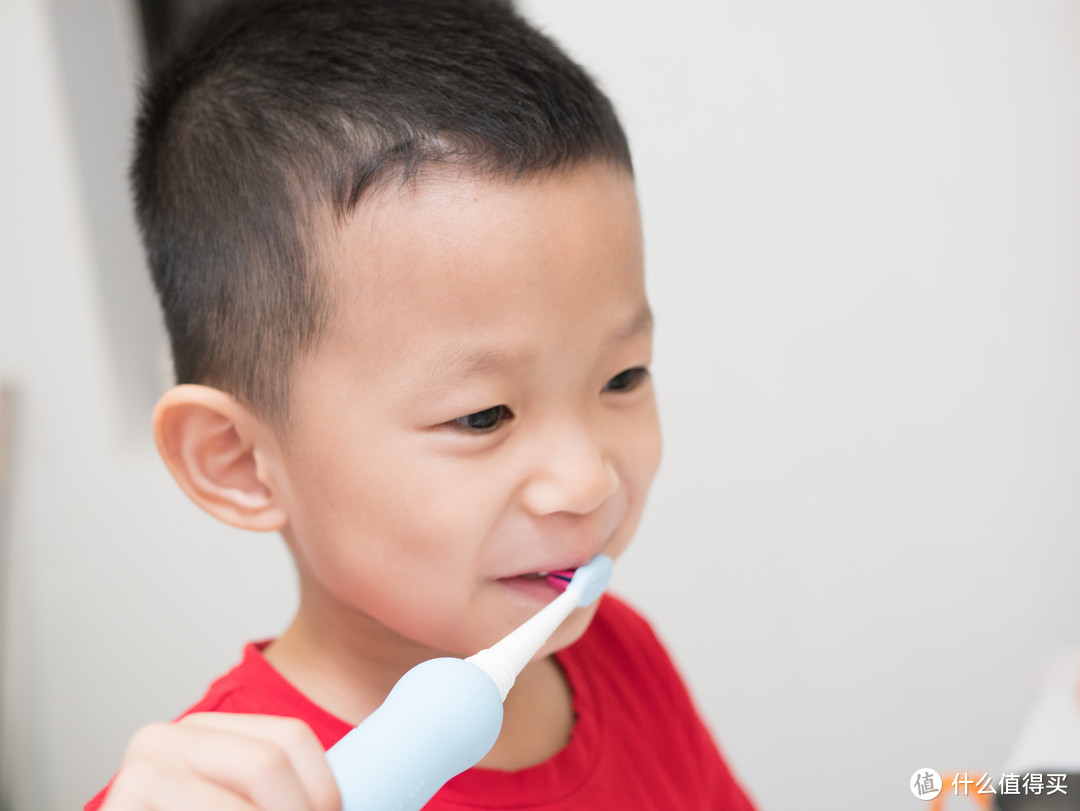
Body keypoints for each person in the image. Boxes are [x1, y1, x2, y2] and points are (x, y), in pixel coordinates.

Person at [88, 0, 757, 808]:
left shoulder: (621, 650)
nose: (588, 483)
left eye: (623, 378)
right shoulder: (220, 799)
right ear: (240, 461)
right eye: (483, 416)